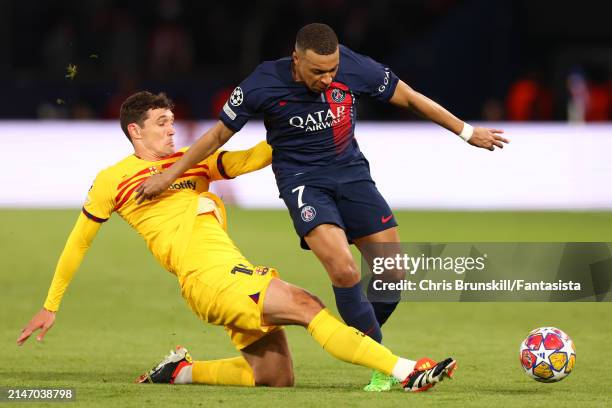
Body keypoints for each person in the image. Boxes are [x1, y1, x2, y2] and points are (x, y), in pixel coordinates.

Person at [135, 23, 497, 391]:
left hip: (352, 176)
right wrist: (168, 176)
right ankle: (385, 365)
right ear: (296, 60)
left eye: (332, 70)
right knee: (343, 269)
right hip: (303, 183)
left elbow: (411, 97)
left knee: (392, 273)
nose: (327, 78)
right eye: (318, 71)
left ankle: (362, 344)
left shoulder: (355, 67)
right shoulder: (262, 84)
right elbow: (215, 136)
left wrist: (467, 132)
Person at [16, 91, 456, 391]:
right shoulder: (112, 180)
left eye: (172, 121)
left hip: (216, 279)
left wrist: (295, 129)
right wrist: (50, 305)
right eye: (162, 123)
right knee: (308, 306)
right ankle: (403, 371)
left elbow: (252, 158)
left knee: (275, 377)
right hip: (210, 277)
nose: (172, 130)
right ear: (135, 131)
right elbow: (79, 242)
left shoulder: (191, 164)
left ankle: (180, 373)